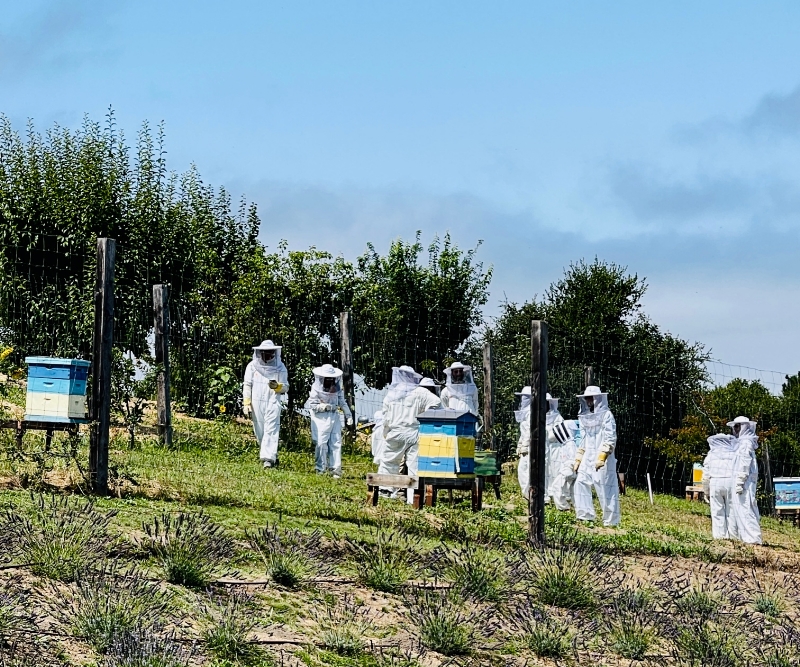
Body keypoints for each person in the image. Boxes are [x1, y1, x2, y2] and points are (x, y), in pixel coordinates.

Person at [379, 365, 442, 503]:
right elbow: (437, 402)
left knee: (389, 461)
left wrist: (386, 432)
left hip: (395, 432)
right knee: (414, 466)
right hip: (415, 432)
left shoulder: (392, 393)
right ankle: (413, 498)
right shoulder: (420, 391)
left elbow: (385, 416)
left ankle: (385, 490)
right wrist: (426, 416)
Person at [573, 386, 621, 526]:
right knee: (580, 482)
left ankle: (611, 522)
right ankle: (585, 515)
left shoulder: (607, 415)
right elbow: (582, 439)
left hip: (603, 458)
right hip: (587, 456)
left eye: (591, 398)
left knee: (606, 488)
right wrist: (578, 458)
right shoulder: (584, 416)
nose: (588, 400)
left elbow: (610, 437)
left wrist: (603, 455)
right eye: (586, 398)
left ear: (598, 398)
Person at [243, 340, 289, 468]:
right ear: (260, 352)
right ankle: (271, 455)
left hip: (273, 400)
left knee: (271, 427)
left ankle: (268, 459)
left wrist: (278, 386)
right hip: (256, 402)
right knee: (260, 431)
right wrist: (246, 402)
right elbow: (247, 384)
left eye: (270, 353)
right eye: (265, 352)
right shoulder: (252, 366)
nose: (268, 355)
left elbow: (286, 387)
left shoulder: (280, 367)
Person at [304, 364, 353, 478]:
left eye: (332, 379)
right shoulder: (315, 388)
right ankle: (320, 469)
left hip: (334, 416)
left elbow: (342, 401)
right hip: (320, 418)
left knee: (335, 443)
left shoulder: (336, 387)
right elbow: (312, 405)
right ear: (322, 378)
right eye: (328, 379)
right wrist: (323, 406)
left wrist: (348, 415)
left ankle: (335, 471)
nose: (330, 381)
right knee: (321, 443)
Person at [729, 416, 762, 544]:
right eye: (734, 427)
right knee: (741, 508)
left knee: (746, 508)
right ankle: (746, 537)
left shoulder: (746, 443)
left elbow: (744, 463)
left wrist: (740, 481)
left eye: (737, 426)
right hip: (743, 481)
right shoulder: (743, 442)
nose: (735, 429)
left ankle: (753, 538)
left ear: (744, 427)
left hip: (745, 482)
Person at [702, 432, 739, 540]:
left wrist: (706, 491)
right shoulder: (734, 454)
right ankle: (734, 536)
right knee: (732, 511)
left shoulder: (711, 455)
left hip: (715, 483)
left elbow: (706, 475)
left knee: (717, 511)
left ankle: (720, 537)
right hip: (731, 483)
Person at [550, 419, 580, 511]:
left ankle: (563, 508)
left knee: (557, 486)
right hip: (571, 469)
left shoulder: (570, 444)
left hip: (569, 470)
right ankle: (578, 508)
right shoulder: (567, 443)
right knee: (575, 490)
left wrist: (568, 470)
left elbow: (571, 459)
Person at [544, 393, 565, 504]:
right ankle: (545, 495)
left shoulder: (557, 417)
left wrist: (549, 433)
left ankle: (555, 494)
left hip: (555, 447)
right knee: (544, 469)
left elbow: (558, 434)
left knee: (555, 469)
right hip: (544, 447)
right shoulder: (538, 415)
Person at [515, 386, 532, 499]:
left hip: (531, 446)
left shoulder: (532, 412)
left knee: (528, 470)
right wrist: (520, 445)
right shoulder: (525, 412)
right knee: (522, 470)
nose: (522, 400)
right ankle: (526, 493)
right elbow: (523, 432)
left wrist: (525, 446)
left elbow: (530, 431)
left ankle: (529, 494)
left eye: (525, 397)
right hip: (526, 446)